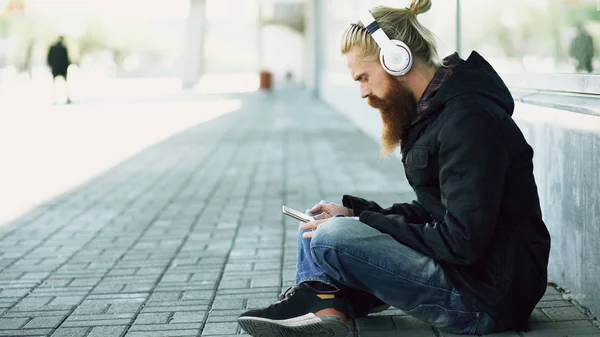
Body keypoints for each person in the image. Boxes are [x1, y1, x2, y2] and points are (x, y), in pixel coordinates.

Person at [237, 1, 551, 336]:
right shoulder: (437, 114)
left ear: (395, 59)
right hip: (469, 277)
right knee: (315, 225)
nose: (362, 92)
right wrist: (356, 211)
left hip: (486, 299)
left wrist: (363, 222)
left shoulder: (468, 120)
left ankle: (326, 303)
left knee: (332, 236)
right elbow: (435, 211)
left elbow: (462, 241)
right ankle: (327, 308)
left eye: (364, 77)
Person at [46, 36, 72, 104]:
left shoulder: (53, 48)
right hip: (62, 69)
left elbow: (49, 58)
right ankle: (65, 98)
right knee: (64, 84)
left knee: (54, 84)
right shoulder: (63, 48)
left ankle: (55, 99)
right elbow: (67, 60)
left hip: (55, 68)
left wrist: (51, 66)